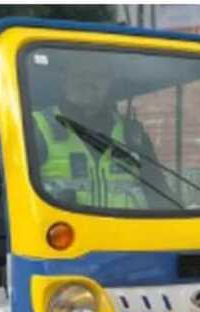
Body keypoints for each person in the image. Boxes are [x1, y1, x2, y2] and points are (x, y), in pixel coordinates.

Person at [29, 53, 168, 209]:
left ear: (109, 82)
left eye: (98, 76)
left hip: (126, 225)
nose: (88, 81)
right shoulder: (36, 127)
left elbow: (161, 195)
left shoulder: (132, 133)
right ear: (65, 79)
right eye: (80, 74)